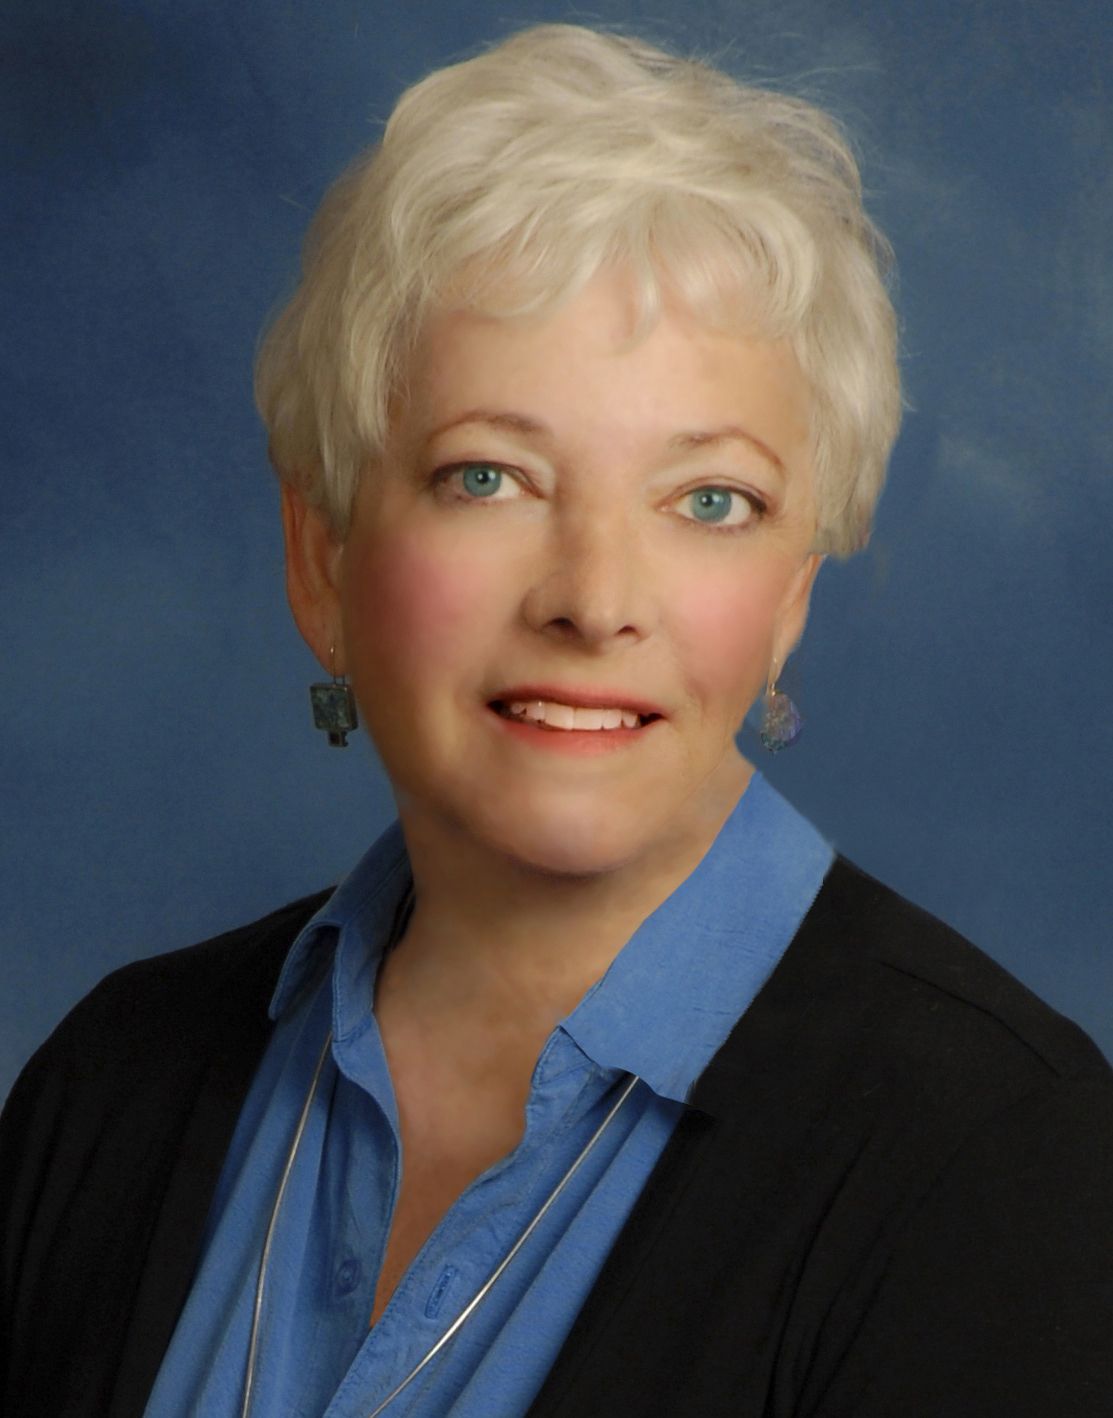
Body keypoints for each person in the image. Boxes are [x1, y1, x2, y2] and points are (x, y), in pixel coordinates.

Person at [2, 21, 1111, 1418]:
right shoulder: (108, 1081)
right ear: (321, 553)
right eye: (490, 477)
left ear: (788, 596)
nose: (595, 600)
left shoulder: (1001, 1153)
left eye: (710, 500)